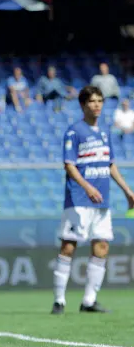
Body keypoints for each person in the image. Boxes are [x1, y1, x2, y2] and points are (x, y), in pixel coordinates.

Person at [51, 86, 134, 315]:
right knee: (69, 246)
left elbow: (110, 164)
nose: (97, 104)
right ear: (82, 105)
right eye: (92, 101)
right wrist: (86, 187)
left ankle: (89, 301)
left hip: (102, 199)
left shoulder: (105, 133)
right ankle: (59, 300)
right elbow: (69, 164)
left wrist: (127, 191)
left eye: (100, 101)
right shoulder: (74, 131)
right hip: (78, 199)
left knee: (102, 246)